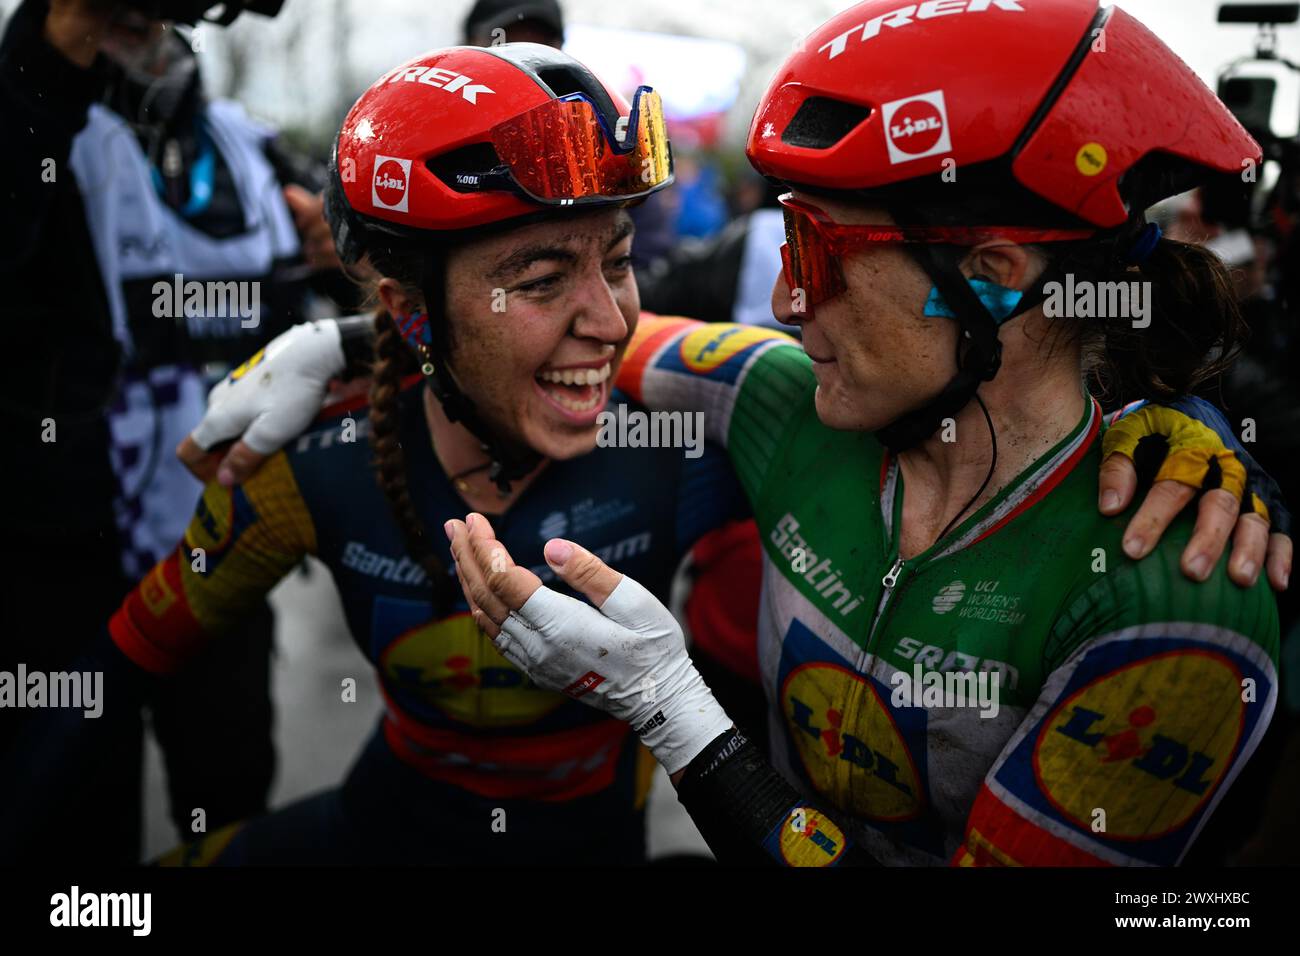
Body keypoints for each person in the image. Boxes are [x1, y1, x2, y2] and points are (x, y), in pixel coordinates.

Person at [443, 0, 1289, 866]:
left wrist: (668, 704)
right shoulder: (780, 397)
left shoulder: (1175, 594)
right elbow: (601, 335)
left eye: (814, 252)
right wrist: (369, 334)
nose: (784, 303)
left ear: (992, 278)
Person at [0, 40, 764, 865]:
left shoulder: (677, 442)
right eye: (541, 282)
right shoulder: (310, 462)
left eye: (618, 264)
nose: (611, 323)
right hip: (376, 836)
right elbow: (110, 673)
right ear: (410, 311)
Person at [0, 0, 346, 863]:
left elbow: (359, 292)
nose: (137, 35)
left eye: (152, 20)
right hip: (67, 561)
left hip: (224, 542)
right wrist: (52, 37)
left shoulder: (250, 148)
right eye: (108, 22)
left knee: (227, 789)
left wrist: (351, 249)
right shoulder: (35, 132)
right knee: (71, 813)